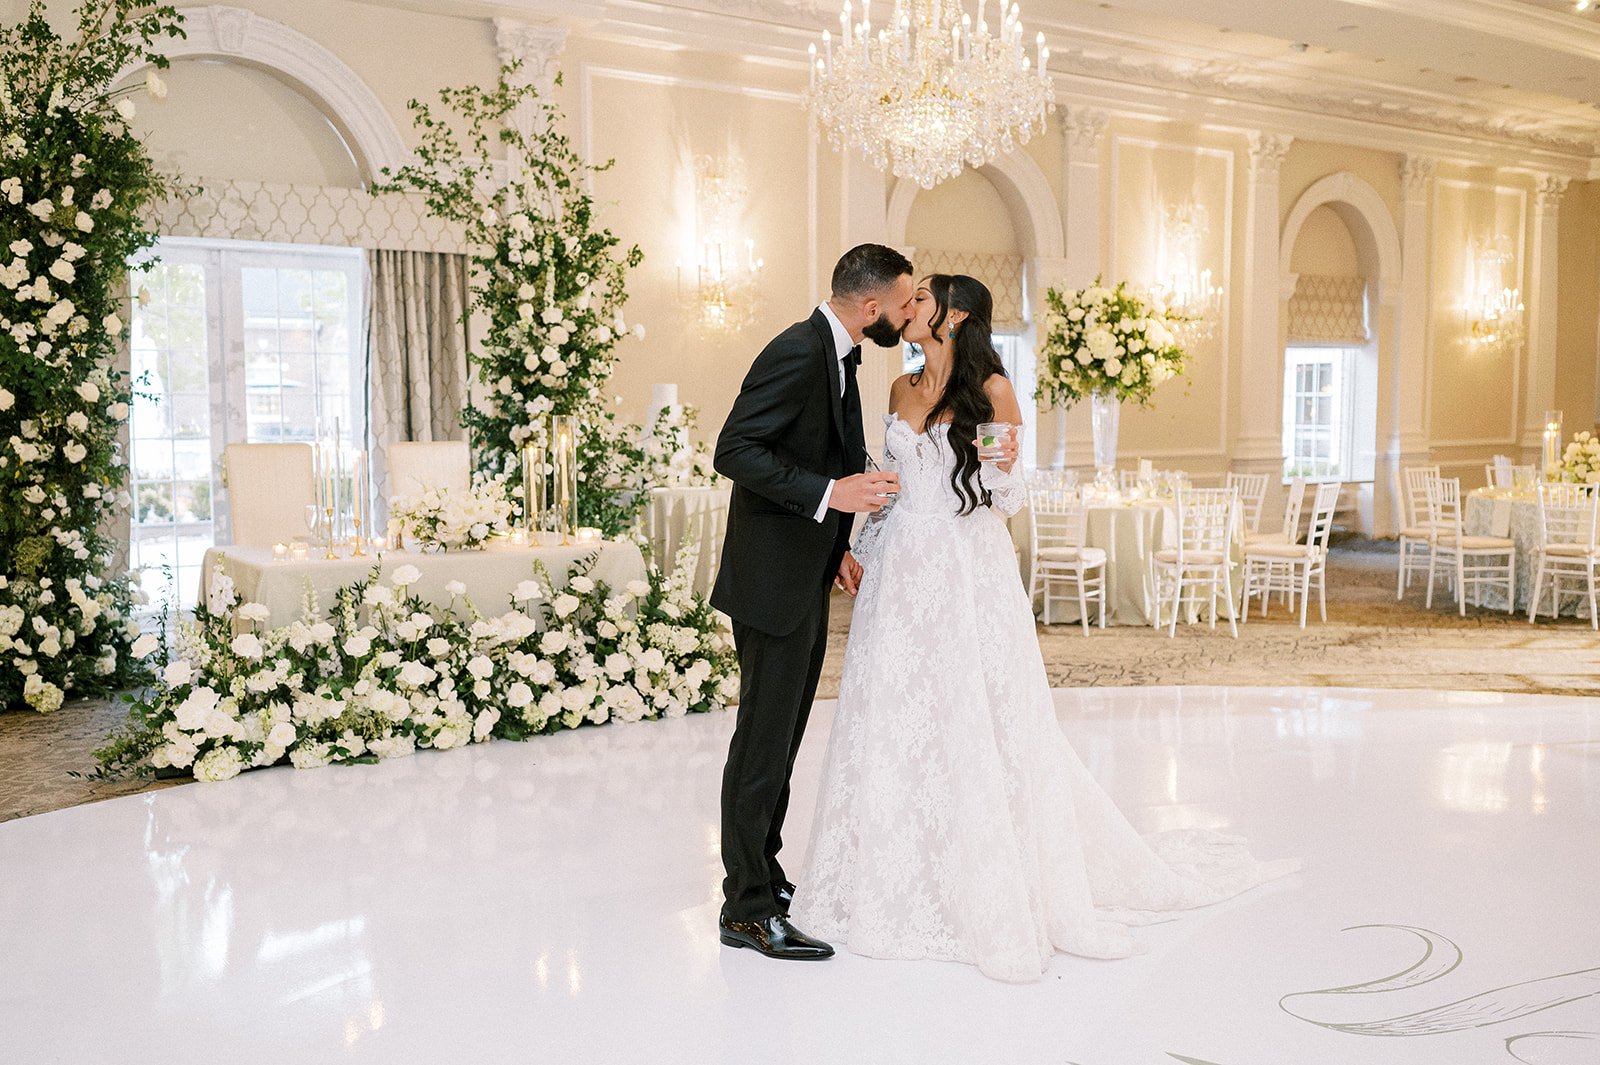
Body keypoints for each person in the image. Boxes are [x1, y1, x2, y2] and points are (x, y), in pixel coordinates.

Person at [789, 273, 1300, 981]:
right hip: (903, 575)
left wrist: (1001, 465)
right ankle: (891, 876)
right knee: (898, 718)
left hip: (968, 572)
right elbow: (892, 489)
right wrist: (858, 546)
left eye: (923, 297)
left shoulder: (994, 391)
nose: (908, 308)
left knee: (977, 719)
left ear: (956, 313)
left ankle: (986, 883)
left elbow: (1004, 497)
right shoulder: (900, 389)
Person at [710, 243, 915, 960]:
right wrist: (833, 495)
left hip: (803, 576)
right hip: (769, 584)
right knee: (761, 747)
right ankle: (744, 909)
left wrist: (840, 548)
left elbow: (822, 456)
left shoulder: (840, 354)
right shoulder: (798, 351)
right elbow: (734, 449)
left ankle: (764, 870)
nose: (905, 313)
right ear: (870, 306)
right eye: (903, 301)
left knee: (785, 740)